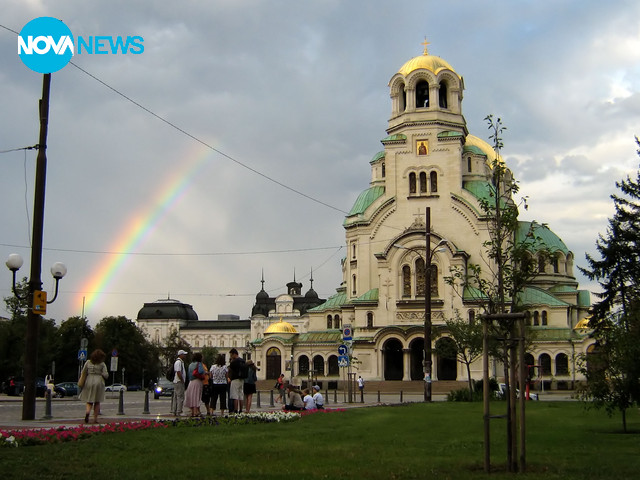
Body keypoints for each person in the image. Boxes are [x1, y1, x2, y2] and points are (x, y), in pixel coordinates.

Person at [78, 349, 108, 424]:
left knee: (89, 400)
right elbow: (106, 375)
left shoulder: (88, 362)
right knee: (97, 401)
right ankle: (95, 419)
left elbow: (83, 372)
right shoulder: (102, 364)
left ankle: (87, 412)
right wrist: (101, 373)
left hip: (89, 380)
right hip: (98, 381)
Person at [184, 352, 205, 417]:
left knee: (191, 396)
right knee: (196, 396)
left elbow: (188, 374)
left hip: (191, 382)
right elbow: (201, 371)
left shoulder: (190, 365)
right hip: (197, 381)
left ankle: (193, 411)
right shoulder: (199, 364)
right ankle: (196, 411)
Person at [228, 348, 246, 414]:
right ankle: (241, 410)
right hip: (242, 379)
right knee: (241, 395)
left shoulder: (234, 362)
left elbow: (230, 370)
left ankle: (235, 409)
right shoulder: (243, 360)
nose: (231, 356)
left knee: (235, 395)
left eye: (231, 355)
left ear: (234, 354)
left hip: (235, 379)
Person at [171, 350, 187, 417]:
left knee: (176, 397)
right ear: (180, 355)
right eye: (184, 354)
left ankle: (175, 410)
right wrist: (182, 380)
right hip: (179, 381)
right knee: (180, 397)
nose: (185, 356)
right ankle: (179, 411)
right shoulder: (178, 362)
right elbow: (178, 372)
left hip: (177, 381)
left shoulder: (180, 362)